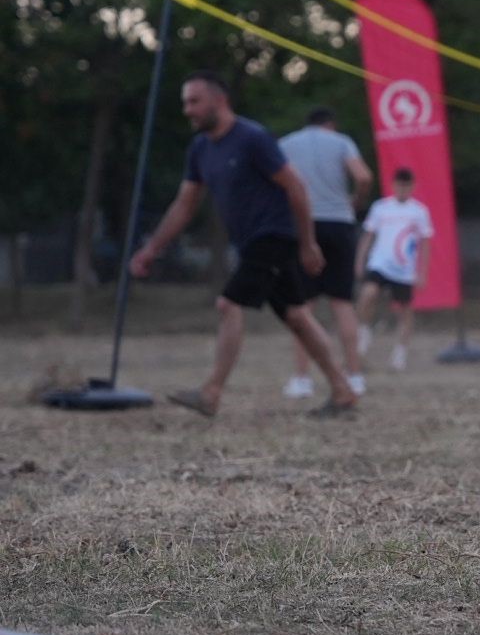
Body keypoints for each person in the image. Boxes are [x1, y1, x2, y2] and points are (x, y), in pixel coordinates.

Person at [128, 71, 358, 418]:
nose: (188, 110)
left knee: (228, 304)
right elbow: (185, 204)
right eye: (184, 103)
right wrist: (152, 248)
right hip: (252, 240)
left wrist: (308, 243)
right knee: (297, 315)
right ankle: (343, 392)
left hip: (275, 235)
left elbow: (296, 187)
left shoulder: (253, 138)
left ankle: (211, 393)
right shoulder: (201, 148)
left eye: (194, 101)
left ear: (218, 101)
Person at [279, 107, 374, 398]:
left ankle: (301, 379)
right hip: (339, 224)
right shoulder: (342, 142)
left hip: (302, 224)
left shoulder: (285, 144)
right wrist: (354, 202)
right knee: (342, 303)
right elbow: (364, 177)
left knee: (302, 306)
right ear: (331, 125)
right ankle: (355, 375)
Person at [354, 167, 433, 372]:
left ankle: (400, 354)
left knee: (405, 311)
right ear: (393, 185)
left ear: (412, 187)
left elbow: (425, 243)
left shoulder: (419, 211)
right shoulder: (380, 208)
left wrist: (422, 272)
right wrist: (360, 260)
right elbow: (368, 235)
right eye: (399, 185)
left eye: (407, 186)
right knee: (368, 294)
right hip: (379, 263)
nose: (403, 189)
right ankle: (364, 334)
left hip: (404, 269)